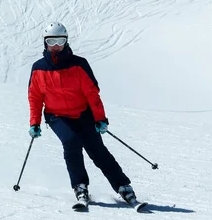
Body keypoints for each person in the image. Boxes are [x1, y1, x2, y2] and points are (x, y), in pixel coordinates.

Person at [28, 21, 137, 206]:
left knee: (97, 149)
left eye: (60, 41)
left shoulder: (79, 64)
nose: (56, 46)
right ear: (44, 43)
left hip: (83, 114)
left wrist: (100, 118)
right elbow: (35, 97)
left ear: (66, 41)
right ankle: (80, 186)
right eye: (51, 41)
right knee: (71, 142)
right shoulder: (38, 68)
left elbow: (92, 94)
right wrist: (34, 123)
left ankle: (123, 186)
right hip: (57, 116)